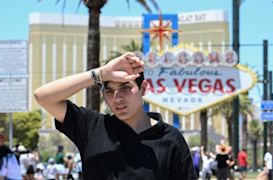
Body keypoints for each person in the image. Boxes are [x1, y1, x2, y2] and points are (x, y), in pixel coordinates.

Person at [34, 52, 196, 179]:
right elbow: (43, 96)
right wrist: (100, 74)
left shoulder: (170, 138)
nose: (117, 98)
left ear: (144, 89)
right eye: (109, 90)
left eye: (126, 87)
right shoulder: (92, 127)